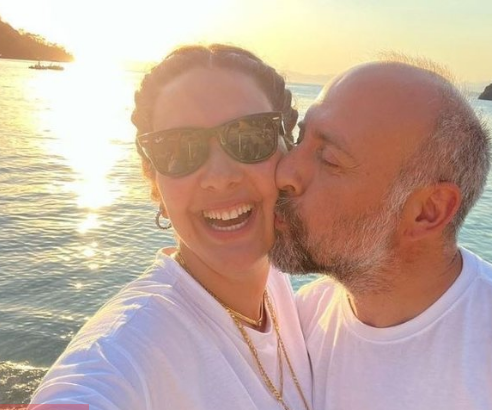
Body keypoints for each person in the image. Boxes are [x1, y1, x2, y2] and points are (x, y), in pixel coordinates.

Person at [31, 44, 312, 410]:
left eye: (250, 137)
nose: (219, 177)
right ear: (155, 185)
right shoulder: (127, 347)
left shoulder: (279, 287)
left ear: (289, 153)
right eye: (179, 149)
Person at [270, 60, 492, 410]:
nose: (284, 172)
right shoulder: (301, 322)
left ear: (428, 212)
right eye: (299, 138)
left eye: (329, 159)